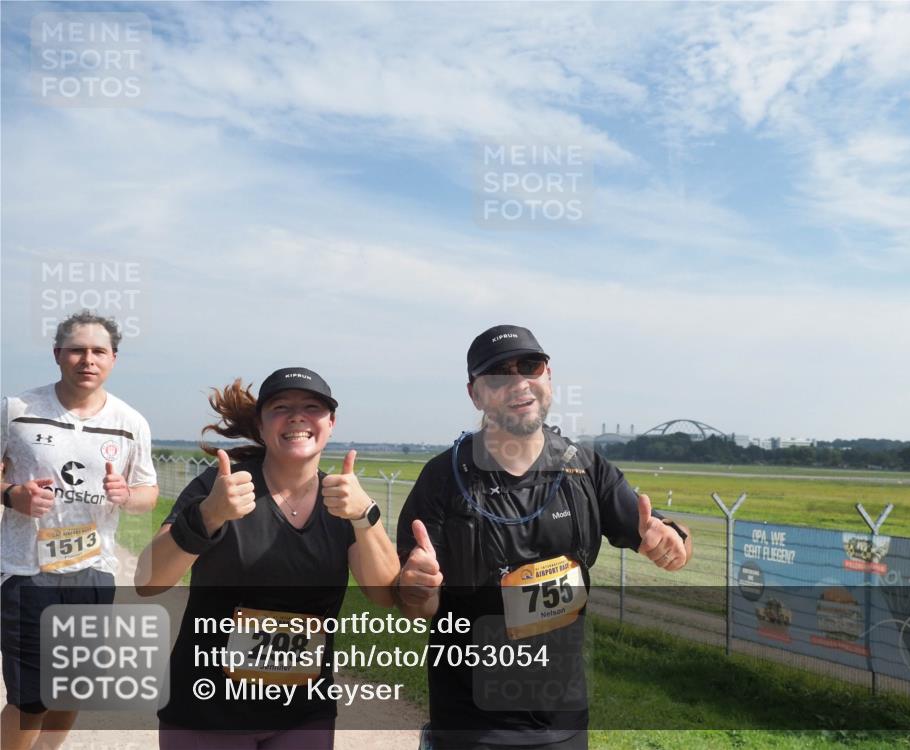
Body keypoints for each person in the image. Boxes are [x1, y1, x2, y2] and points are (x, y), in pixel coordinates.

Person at [395, 324, 693, 750]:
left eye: (530, 366)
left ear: (548, 375)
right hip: (472, 725)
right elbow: (417, 608)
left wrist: (674, 542)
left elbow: (669, 536)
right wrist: (417, 588)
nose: (519, 382)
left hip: (565, 723)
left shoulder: (585, 469)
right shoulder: (444, 479)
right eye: (498, 374)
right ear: (475, 394)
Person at [136, 366, 399, 750]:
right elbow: (147, 580)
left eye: (312, 407)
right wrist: (207, 516)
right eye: (280, 407)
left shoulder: (344, 502)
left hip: (303, 711)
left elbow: (384, 593)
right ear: (260, 426)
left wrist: (364, 516)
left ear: (331, 423)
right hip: (208, 709)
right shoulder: (219, 489)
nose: (297, 416)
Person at [1, 310, 159, 750]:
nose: (87, 359)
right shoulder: (16, 411)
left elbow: (148, 492)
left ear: (113, 359)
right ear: (58, 355)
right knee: (31, 698)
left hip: (93, 571)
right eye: (76, 350)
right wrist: (12, 494)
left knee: (71, 688)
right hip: (26, 571)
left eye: (98, 351)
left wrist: (127, 494)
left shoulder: (132, 423)